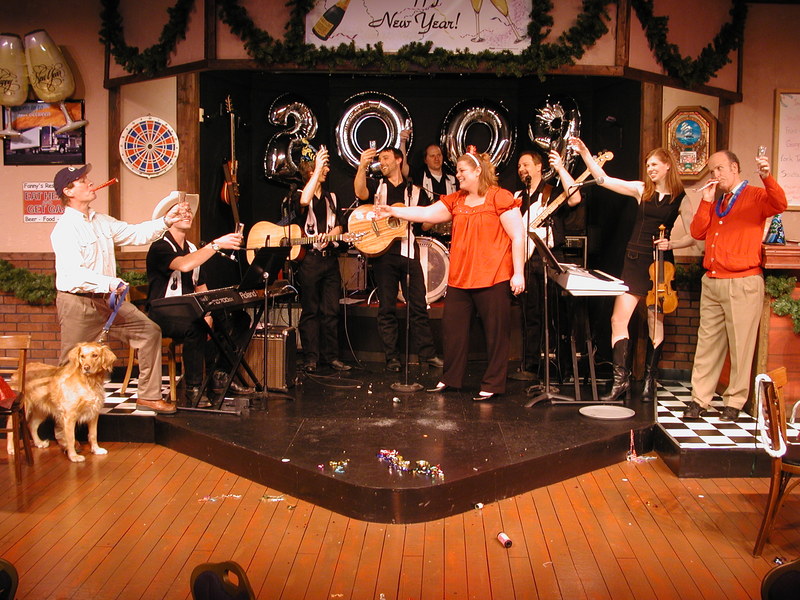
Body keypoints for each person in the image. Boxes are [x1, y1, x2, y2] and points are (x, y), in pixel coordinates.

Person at [375, 148, 525, 401]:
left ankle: (492, 383)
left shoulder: (499, 197)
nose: (458, 175)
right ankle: (451, 378)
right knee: (453, 331)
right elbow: (426, 213)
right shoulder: (457, 200)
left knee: (496, 334)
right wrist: (394, 211)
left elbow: (518, 236)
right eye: (457, 171)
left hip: (493, 276)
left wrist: (518, 273)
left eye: (462, 171)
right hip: (461, 278)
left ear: (477, 171)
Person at [50, 164, 187, 415]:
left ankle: (148, 397)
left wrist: (167, 221)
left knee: (149, 332)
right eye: (83, 181)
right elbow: (73, 274)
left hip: (109, 301)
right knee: (71, 362)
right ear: (68, 192)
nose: (90, 183)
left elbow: (135, 234)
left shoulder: (101, 221)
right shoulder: (65, 229)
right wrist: (110, 283)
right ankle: (63, 422)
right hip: (78, 303)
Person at [571, 138, 694, 401]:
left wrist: (672, 243)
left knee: (654, 322)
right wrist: (585, 153)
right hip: (635, 260)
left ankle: (650, 381)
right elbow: (603, 180)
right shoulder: (641, 190)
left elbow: (694, 235)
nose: (650, 169)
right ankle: (621, 382)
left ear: (667, 166)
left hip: (661, 265)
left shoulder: (681, 198)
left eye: (654, 165)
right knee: (618, 319)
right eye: (648, 165)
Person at [685, 150, 787, 422]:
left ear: (734, 167)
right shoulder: (717, 201)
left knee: (741, 346)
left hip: (742, 281)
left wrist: (767, 177)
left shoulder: (755, 195)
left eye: (719, 169)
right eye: (711, 171)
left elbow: (779, 203)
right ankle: (699, 399)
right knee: (707, 344)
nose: (715, 175)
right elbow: (697, 232)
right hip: (713, 281)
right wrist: (706, 201)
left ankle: (734, 401)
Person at [145, 194, 244, 403]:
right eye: (180, 211)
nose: (187, 214)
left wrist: (209, 312)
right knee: (196, 325)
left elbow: (200, 286)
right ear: (169, 216)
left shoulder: (192, 248)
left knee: (238, 318)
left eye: (188, 210)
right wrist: (216, 245)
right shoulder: (160, 246)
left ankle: (219, 375)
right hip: (163, 312)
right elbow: (184, 265)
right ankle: (194, 388)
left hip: (189, 310)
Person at [354, 146, 443, 372]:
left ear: (398, 160)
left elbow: (426, 223)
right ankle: (391, 358)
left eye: (385, 158)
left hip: (409, 252)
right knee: (387, 307)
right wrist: (362, 166)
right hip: (383, 254)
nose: (382, 162)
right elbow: (360, 192)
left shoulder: (415, 191)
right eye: (380, 159)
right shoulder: (377, 186)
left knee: (419, 305)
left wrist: (439, 215)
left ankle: (428, 354)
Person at [512, 149, 581, 380]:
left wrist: (560, 168)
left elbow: (575, 198)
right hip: (526, 259)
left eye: (526, 164)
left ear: (539, 166)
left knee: (557, 315)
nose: (522, 169)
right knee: (530, 314)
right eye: (519, 166)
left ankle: (563, 368)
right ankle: (530, 366)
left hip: (550, 256)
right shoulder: (518, 197)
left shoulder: (552, 192)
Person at [296, 145, 351, 373]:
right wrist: (317, 168)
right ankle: (311, 358)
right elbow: (303, 201)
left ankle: (332, 357)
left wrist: (330, 236)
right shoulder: (299, 194)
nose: (327, 170)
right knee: (311, 310)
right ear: (311, 171)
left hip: (330, 260)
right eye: (322, 167)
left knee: (331, 310)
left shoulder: (332, 197)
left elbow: (340, 226)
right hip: (310, 260)